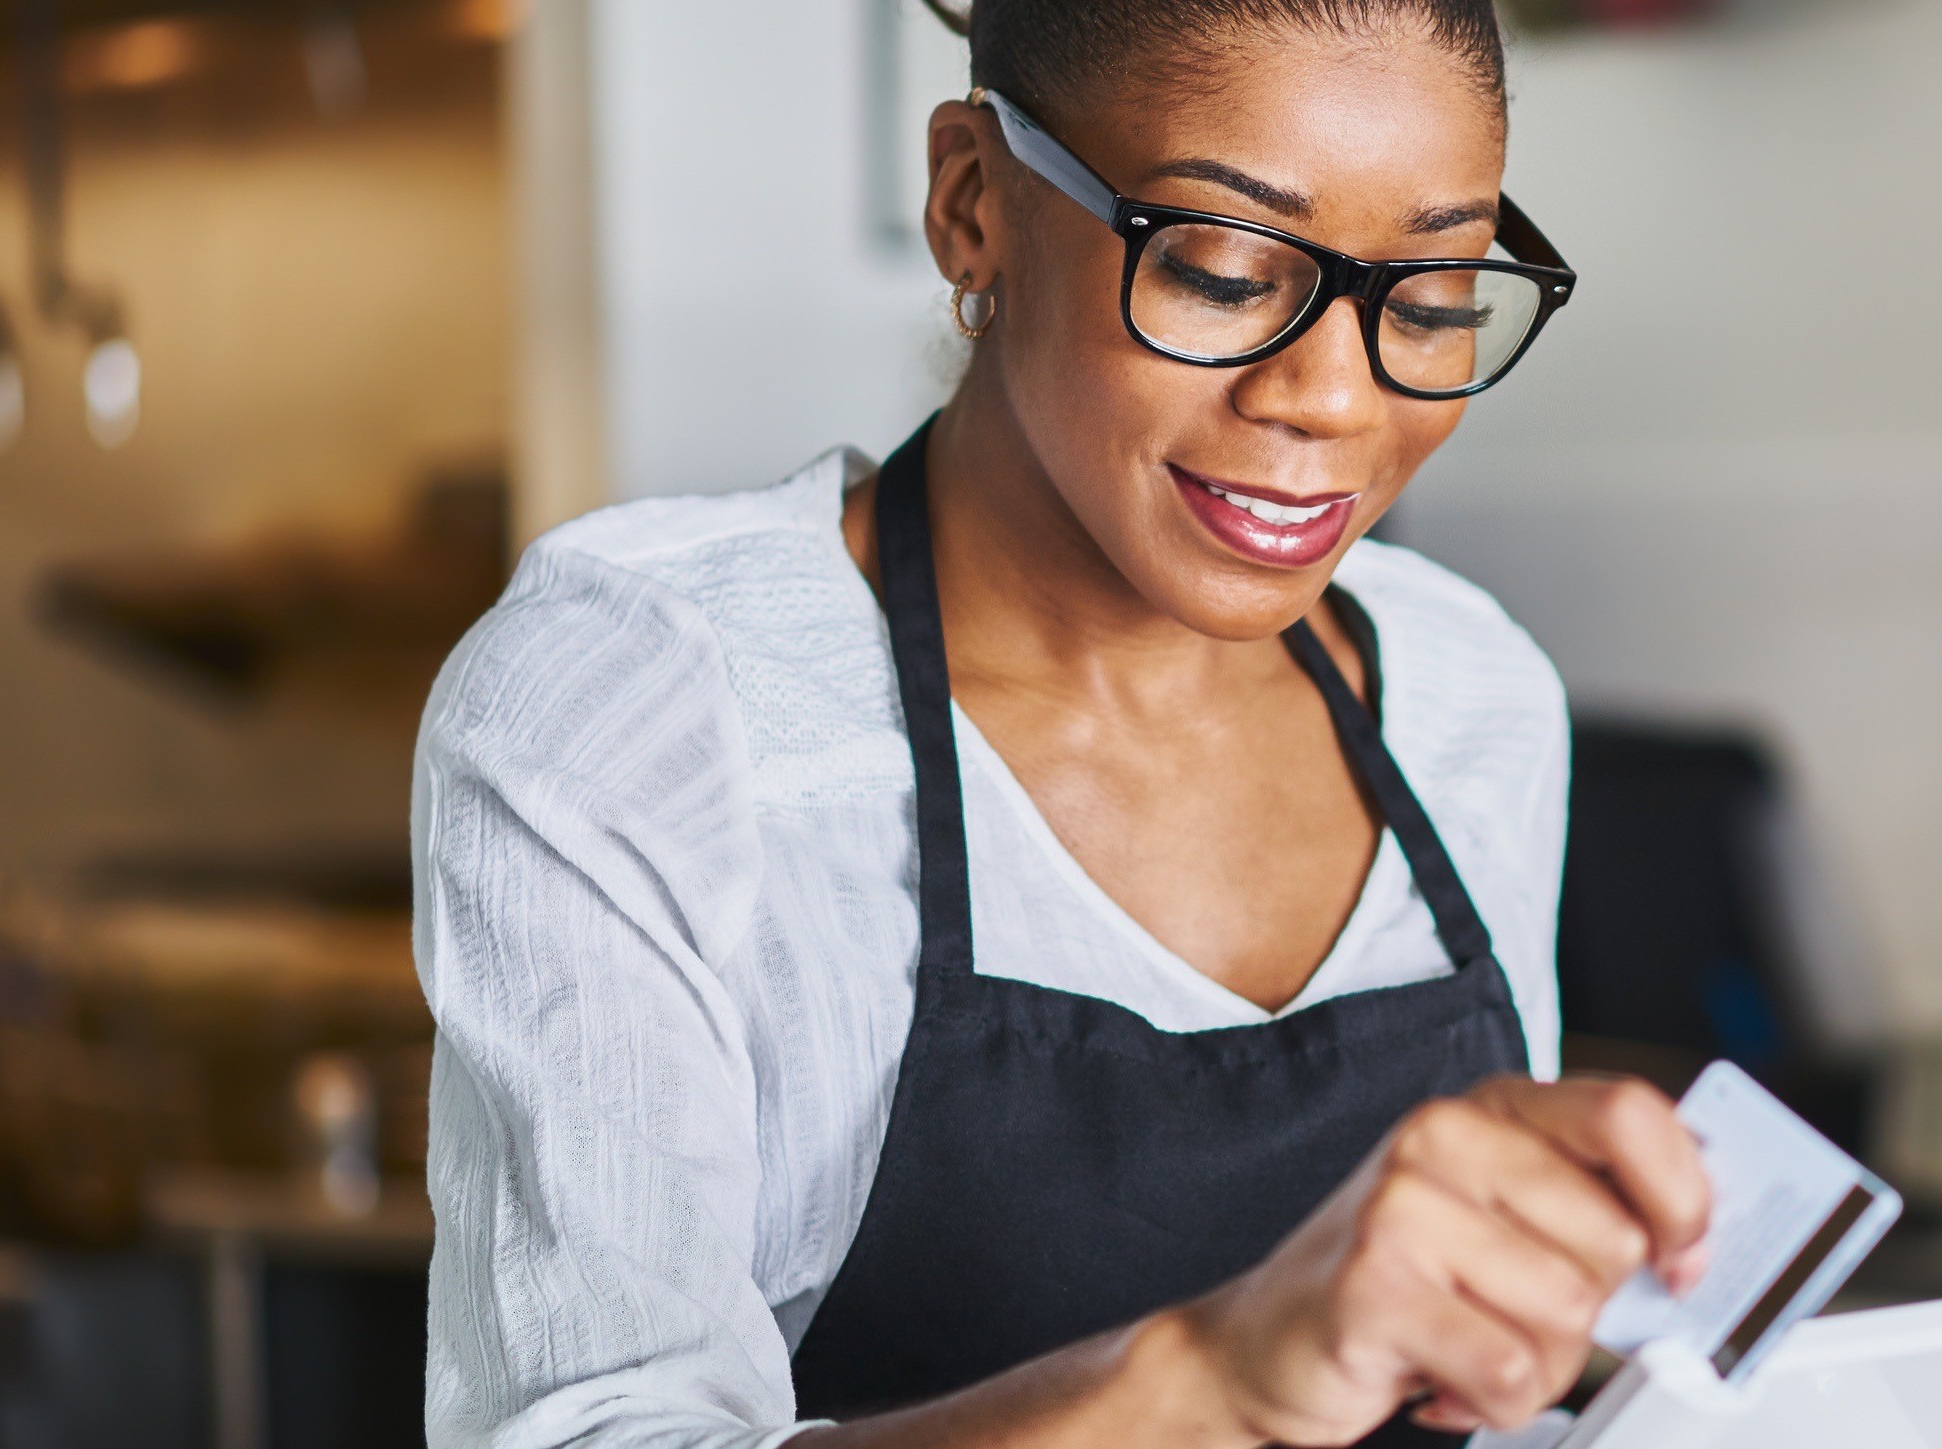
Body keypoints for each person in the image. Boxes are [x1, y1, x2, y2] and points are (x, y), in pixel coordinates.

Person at [412, 0, 1712, 1444]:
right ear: (975, 204)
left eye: (1430, 300)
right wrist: (1211, 1379)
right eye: (1220, 271)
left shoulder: (1473, 692)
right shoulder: (652, 702)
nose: (1334, 397)